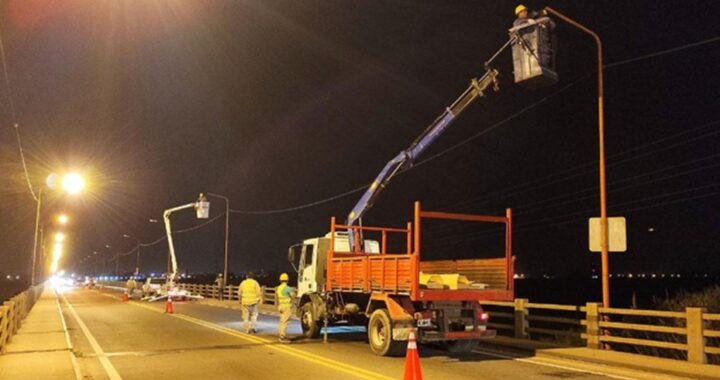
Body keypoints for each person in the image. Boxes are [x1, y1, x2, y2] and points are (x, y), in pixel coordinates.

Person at [276, 273, 296, 343]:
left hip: (280, 306)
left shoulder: (278, 288)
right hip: (286, 307)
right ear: (287, 280)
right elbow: (293, 296)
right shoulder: (288, 288)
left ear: (280, 280)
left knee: (282, 321)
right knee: (285, 322)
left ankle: (281, 335)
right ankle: (282, 337)